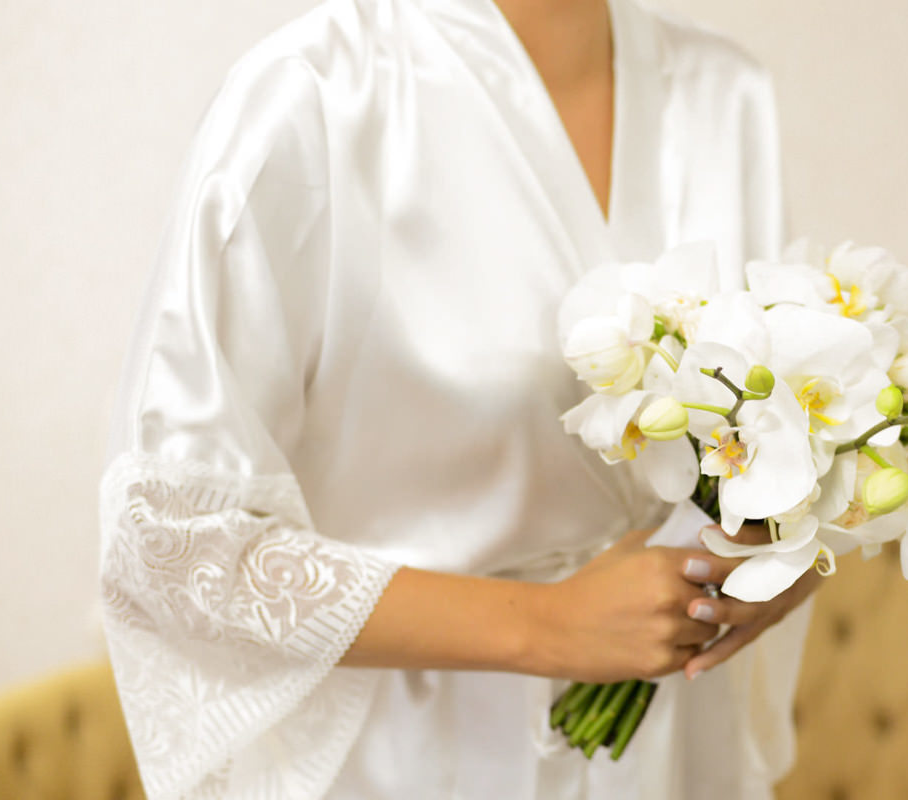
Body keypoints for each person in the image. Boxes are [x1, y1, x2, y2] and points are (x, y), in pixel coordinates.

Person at [98, 0, 817, 796]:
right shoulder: (317, 93)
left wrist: (785, 558)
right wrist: (542, 627)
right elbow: (170, 539)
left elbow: (782, 410)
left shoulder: (729, 92)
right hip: (428, 755)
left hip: (677, 741)